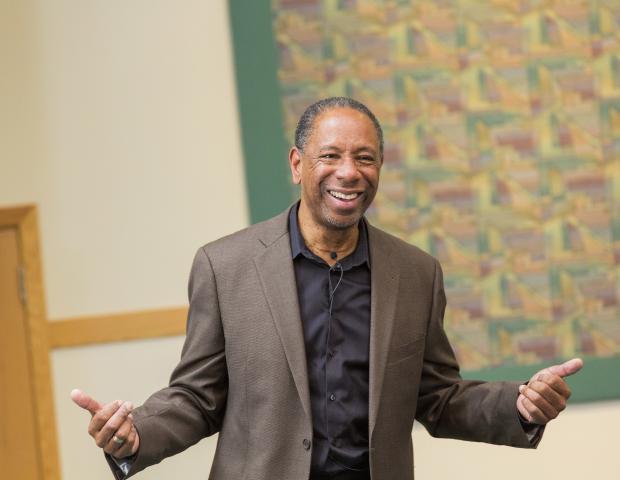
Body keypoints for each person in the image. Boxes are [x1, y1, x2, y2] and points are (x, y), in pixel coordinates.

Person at [72, 97, 583, 480]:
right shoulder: (225, 266)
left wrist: (519, 407)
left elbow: (438, 397)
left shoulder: (417, 274)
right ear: (297, 164)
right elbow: (198, 398)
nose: (349, 172)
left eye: (365, 158)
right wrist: (136, 434)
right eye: (331, 155)